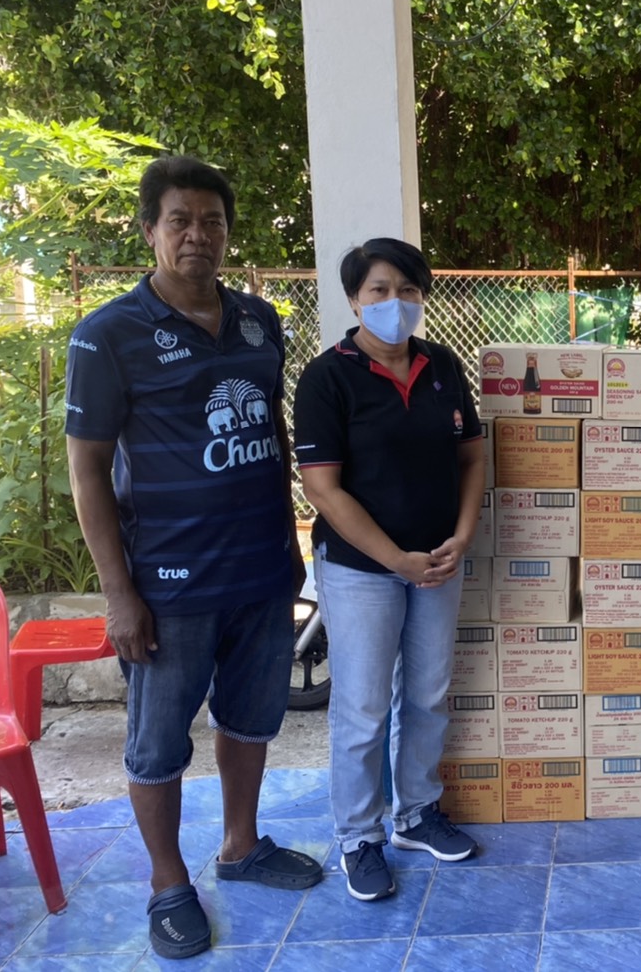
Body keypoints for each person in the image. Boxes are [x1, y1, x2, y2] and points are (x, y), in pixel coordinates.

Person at [65, 156, 321, 961]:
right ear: (150, 230)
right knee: (157, 742)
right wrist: (119, 595)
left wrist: (290, 542)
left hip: (259, 570)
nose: (197, 236)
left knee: (251, 720)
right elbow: (87, 470)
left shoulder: (258, 320)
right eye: (180, 220)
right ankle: (167, 881)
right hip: (168, 584)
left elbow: (272, 440)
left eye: (212, 222)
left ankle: (241, 847)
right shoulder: (108, 336)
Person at [293, 238, 485, 903]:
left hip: (438, 561)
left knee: (428, 693)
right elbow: (324, 489)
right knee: (364, 705)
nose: (394, 304)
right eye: (379, 290)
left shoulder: (442, 365)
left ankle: (415, 815)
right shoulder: (328, 378)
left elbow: (471, 457)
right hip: (360, 570)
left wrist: (461, 536)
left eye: (407, 291)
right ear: (354, 300)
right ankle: (359, 837)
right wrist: (395, 559)